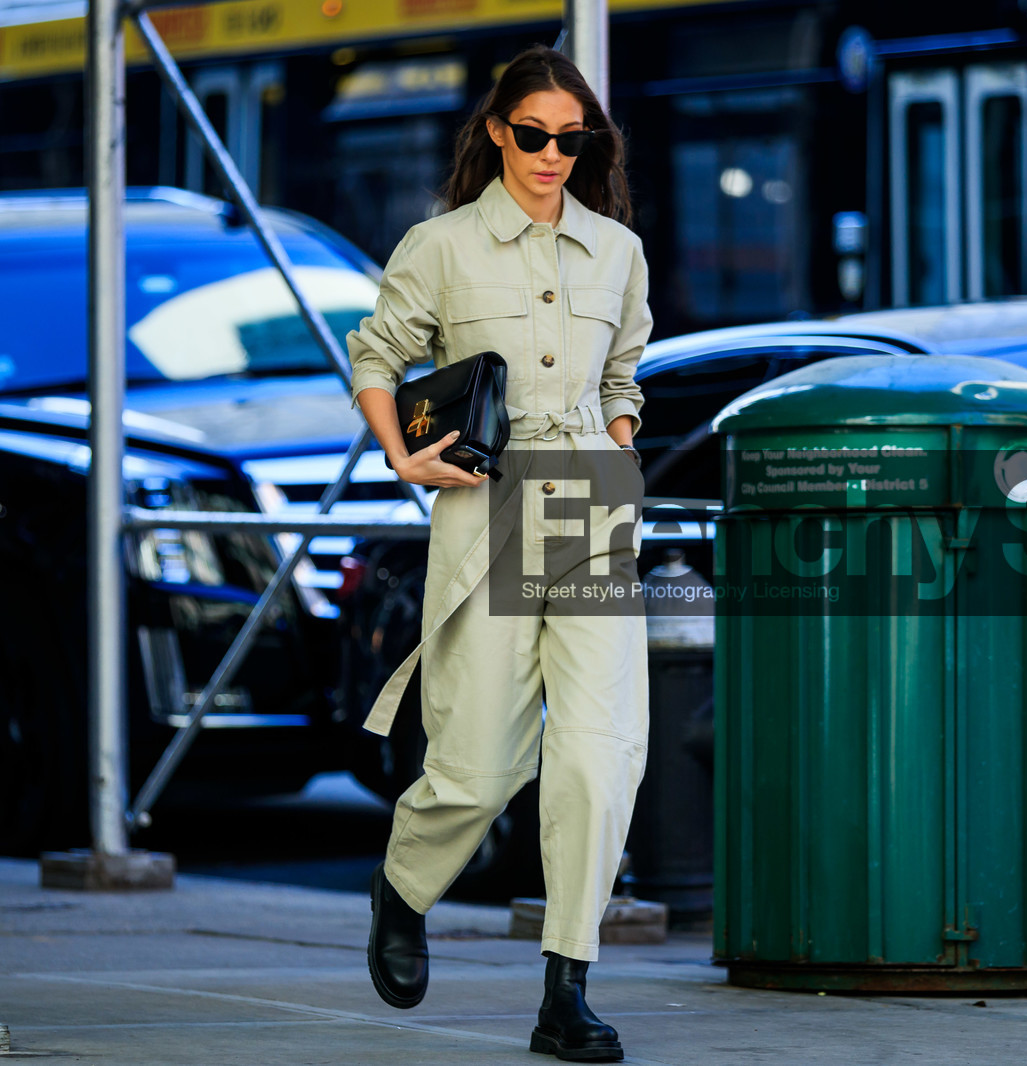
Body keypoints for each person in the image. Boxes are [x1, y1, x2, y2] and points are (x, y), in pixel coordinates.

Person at [345, 41, 652, 1064]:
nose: (551, 155)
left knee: (597, 753)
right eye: (533, 135)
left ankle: (567, 988)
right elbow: (378, 351)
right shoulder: (439, 245)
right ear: (495, 131)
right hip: (486, 500)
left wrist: (617, 441)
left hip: (589, 507)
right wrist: (401, 456)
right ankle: (404, 886)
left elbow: (624, 372)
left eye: (572, 140)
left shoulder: (616, 249)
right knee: (475, 765)